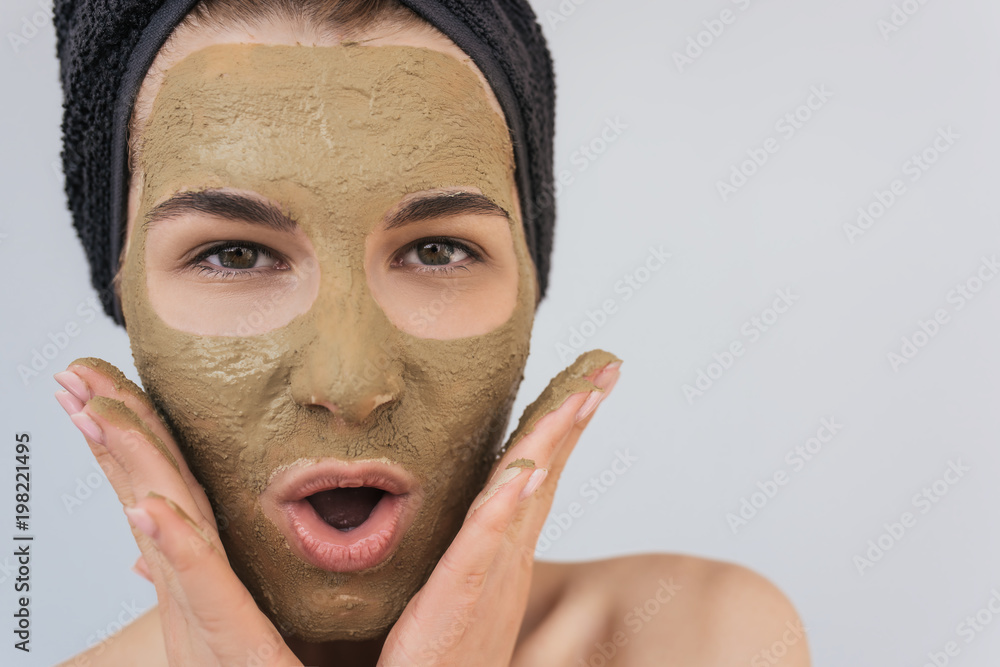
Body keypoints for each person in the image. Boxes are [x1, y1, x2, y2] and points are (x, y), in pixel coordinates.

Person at [52, 0, 811, 664]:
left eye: (436, 251)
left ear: (531, 276)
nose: (347, 383)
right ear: (120, 286)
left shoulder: (696, 642)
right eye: (235, 254)